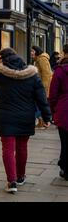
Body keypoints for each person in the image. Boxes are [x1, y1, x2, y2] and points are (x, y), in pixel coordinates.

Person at [0, 48, 51, 193]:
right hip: (25, 117)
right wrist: (47, 117)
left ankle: (11, 182)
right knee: (22, 148)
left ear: (2, 58)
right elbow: (41, 98)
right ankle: (20, 177)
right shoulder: (32, 75)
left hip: (6, 117)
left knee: (8, 149)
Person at [48, 44, 68, 181]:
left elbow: (53, 94)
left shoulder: (60, 71)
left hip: (64, 111)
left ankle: (66, 169)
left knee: (65, 142)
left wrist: (53, 110)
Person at [31, 46, 53, 128]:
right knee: (39, 104)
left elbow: (46, 74)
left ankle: (43, 122)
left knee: (40, 103)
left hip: (42, 87)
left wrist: (43, 88)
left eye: (32, 51)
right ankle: (41, 122)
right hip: (39, 86)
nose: (31, 53)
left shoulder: (42, 59)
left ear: (37, 51)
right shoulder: (37, 60)